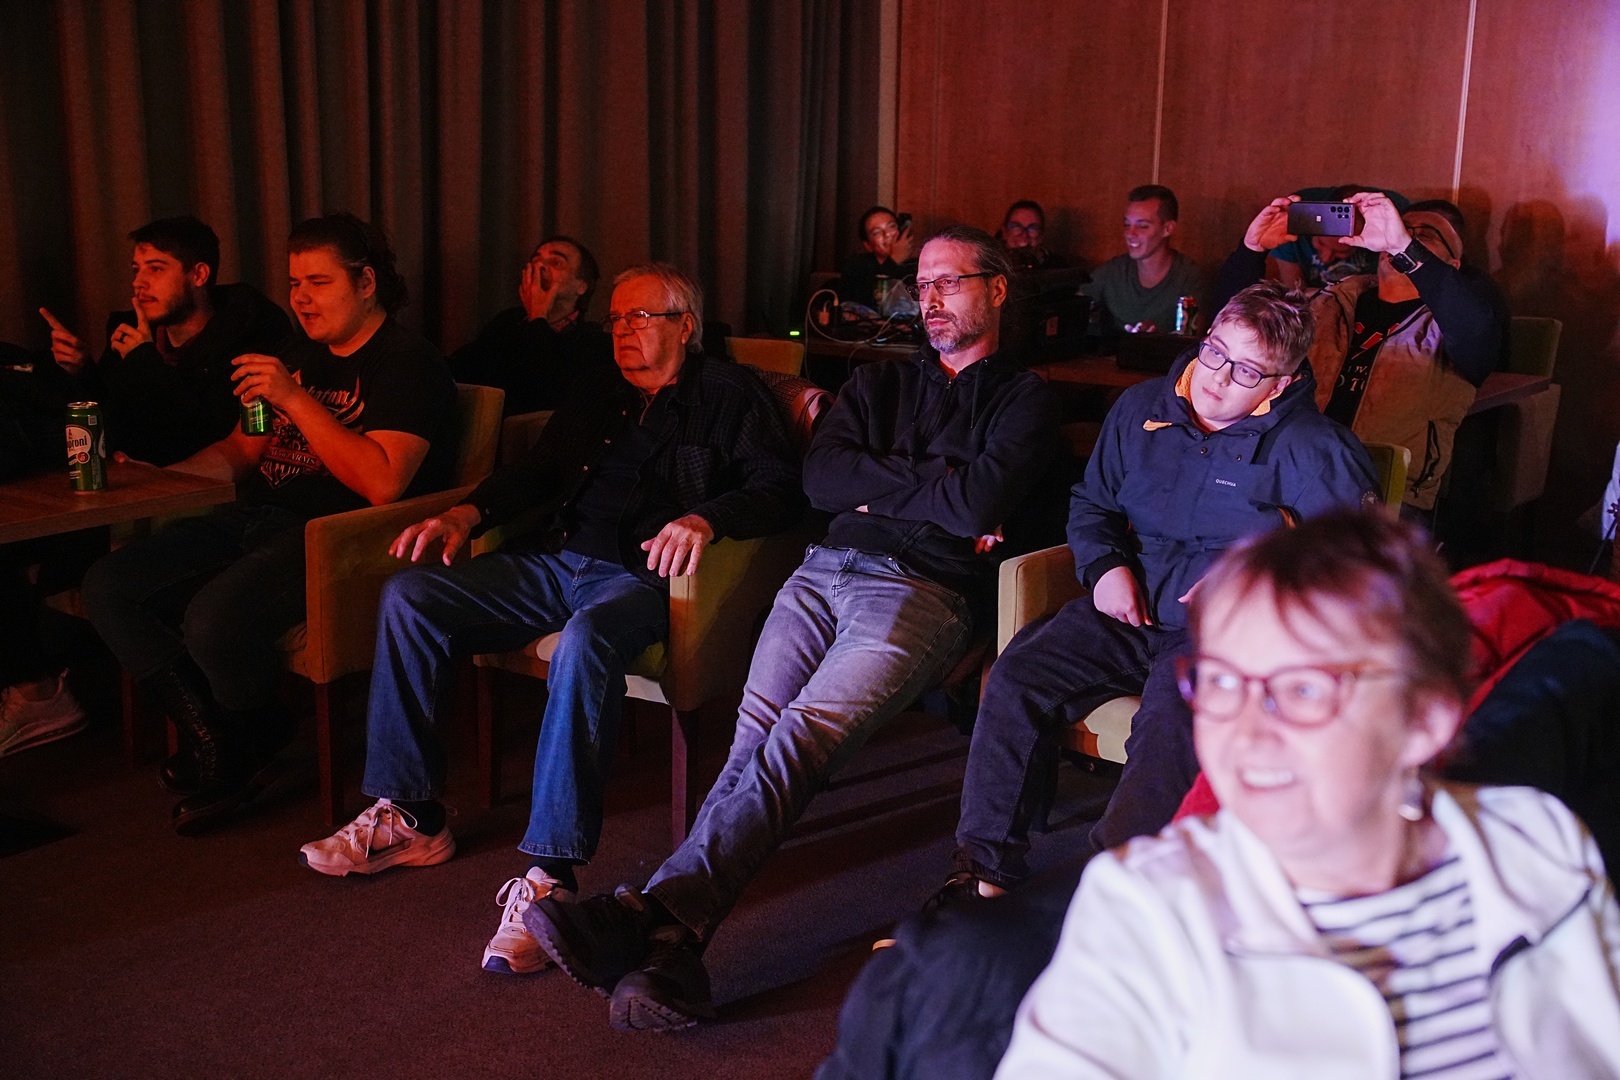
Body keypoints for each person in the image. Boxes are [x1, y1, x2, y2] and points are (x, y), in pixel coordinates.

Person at [525, 225, 1059, 1032]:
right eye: (923, 285)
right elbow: (823, 478)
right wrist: (936, 484)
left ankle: (645, 913)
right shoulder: (879, 383)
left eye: (950, 281)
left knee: (800, 739)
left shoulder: (1025, 399)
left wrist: (894, 489)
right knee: (754, 740)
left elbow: (977, 502)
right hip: (820, 570)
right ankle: (671, 951)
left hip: (922, 590)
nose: (932, 298)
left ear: (997, 289)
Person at [296, 263, 802, 974]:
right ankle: (412, 815)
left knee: (585, 642)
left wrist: (706, 517)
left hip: (643, 579)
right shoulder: (598, 389)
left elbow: (781, 489)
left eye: (640, 318)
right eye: (615, 319)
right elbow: (539, 471)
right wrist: (468, 511)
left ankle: (550, 878)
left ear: (685, 325)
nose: (621, 332)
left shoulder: (728, 394)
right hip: (553, 561)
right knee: (412, 597)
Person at [997, 510, 1620, 1077]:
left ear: (1424, 720)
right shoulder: (1148, 908)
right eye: (1222, 682)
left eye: (1302, 690)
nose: (1245, 732)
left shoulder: (1539, 840)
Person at [942, 281, 1379, 908]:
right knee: (1018, 672)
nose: (1218, 378)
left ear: (1279, 384)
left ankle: (1114, 892)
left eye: (1246, 371)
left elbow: (1357, 569)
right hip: (1135, 603)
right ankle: (981, 873)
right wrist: (1104, 567)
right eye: (1215, 352)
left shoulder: (1316, 450)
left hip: (1227, 634)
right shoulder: (1142, 408)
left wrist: (1257, 579)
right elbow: (1093, 502)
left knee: (1173, 712)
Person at [80, 213, 457, 835]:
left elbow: (384, 481)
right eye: (294, 283)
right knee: (109, 584)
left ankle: (238, 744)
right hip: (256, 515)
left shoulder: (406, 362)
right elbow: (242, 450)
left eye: (319, 282)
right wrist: (159, 478)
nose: (301, 298)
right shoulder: (294, 355)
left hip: (337, 537)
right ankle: (231, 735)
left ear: (366, 283)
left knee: (211, 618)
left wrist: (294, 399)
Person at [1221, 192, 1509, 516]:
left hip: (1384, 494)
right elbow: (1233, 330)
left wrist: (1404, 247)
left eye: (1425, 236)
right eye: (1400, 228)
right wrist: (1252, 249)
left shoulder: (1454, 322)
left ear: (1453, 265)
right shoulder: (1327, 301)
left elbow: (1476, 333)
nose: (1403, 236)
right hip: (1289, 474)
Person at [38, 215, 291, 466]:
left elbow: (206, 432)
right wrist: (83, 371)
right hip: (132, 477)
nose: (138, 283)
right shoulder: (132, 331)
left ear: (199, 275)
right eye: (136, 270)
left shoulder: (245, 337)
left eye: (155, 269)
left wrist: (144, 362)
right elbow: (113, 417)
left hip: (204, 482)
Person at [448, 235, 612, 415]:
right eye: (535, 261)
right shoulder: (508, 322)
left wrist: (538, 317)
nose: (539, 266)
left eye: (556, 263)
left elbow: (548, 391)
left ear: (581, 286)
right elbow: (461, 368)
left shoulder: (592, 339)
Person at [1081, 184, 1207, 335]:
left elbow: (1194, 336)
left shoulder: (1188, 276)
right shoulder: (1113, 271)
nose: (1130, 233)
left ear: (1168, 229)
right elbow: (1074, 305)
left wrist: (1155, 338)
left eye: (1142, 226)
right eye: (1127, 225)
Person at [1269, 184, 1409, 289]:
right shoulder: (1296, 216)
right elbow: (1294, 293)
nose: (1325, 259)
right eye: (1320, 243)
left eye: (1340, 251)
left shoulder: (1395, 217)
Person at [838, 206, 918, 311]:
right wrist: (893, 261)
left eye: (892, 226)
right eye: (877, 232)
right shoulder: (856, 266)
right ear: (868, 245)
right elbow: (861, 305)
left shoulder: (915, 267)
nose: (887, 234)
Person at [999, 200, 1067, 271]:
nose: (1024, 235)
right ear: (1005, 232)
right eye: (1016, 227)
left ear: (1041, 235)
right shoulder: (994, 266)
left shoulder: (1057, 268)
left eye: (1032, 228)